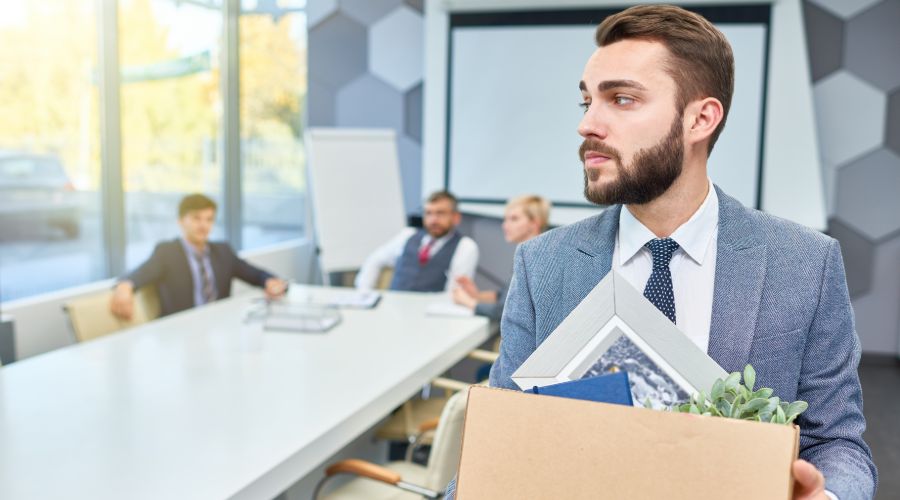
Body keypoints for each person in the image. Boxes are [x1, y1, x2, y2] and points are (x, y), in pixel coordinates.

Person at [449, 5, 876, 500]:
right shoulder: (543, 264)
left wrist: (826, 496)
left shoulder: (805, 264)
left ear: (700, 118)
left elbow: (837, 442)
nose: (588, 124)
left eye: (622, 99)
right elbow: (500, 436)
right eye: (586, 102)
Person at [110, 193, 287, 319]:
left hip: (219, 328)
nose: (204, 225)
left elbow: (255, 274)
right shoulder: (167, 252)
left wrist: (270, 281)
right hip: (179, 335)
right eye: (196, 218)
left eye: (209, 219)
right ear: (180, 221)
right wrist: (124, 287)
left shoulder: (222, 251)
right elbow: (139, 274)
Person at [355, 190, 479, 292]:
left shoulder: (465, 246)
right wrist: (365, 292)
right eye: (428, 213)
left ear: (456, 217)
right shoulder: (407, 235)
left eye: (440, 213)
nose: (433, 220)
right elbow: (375, 260)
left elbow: (454, 293)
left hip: (430, 314)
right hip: (394, 307)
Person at [451, 195, 550, 321]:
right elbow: (505, 296)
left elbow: (505, 310)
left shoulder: (535, 260)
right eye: (505, 219)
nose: (505, 225)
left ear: (534, 223)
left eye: (514, 219)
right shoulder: (532, 254)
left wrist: (469, 302)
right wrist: (476, 295)